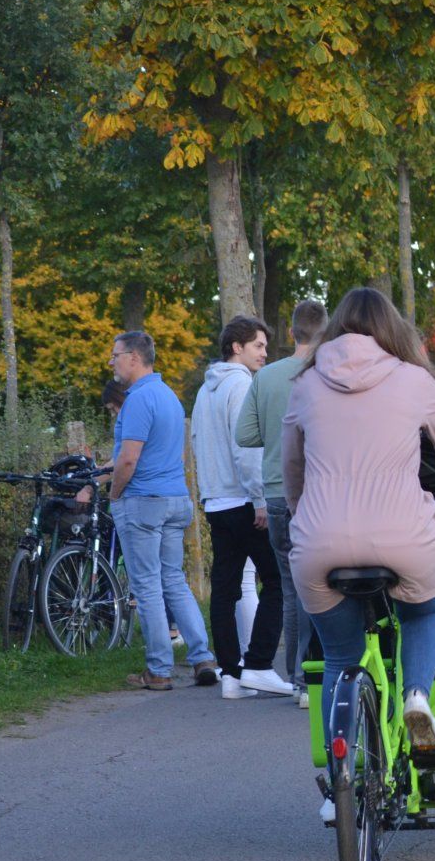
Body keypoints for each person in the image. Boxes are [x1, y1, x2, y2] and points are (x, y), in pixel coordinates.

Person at [282, 288, 435, 823]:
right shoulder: (414, 380)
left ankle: (342, 785)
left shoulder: (305, 383)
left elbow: (290, 467)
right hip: (404, 538)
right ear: (392, 329)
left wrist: (301, 512)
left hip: (319, 542)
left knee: (339, 657)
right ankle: (418, 698)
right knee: (425, 611)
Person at [107, 330, 218, 690]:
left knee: (147, 586)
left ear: (135, 358)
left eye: (116, 355)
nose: (112, 362)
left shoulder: (138, 400)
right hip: (175, 500)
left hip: (144, 502)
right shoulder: (170, 396)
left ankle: (158, 670)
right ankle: (202, 656)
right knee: (174, 579)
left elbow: (129, 459)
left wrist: (114, 493)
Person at [236, 298, 328, 708]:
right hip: (321, 494)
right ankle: (323, 671)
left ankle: (298, 681)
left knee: (291, 591)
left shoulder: (267, 377)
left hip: (276, 493)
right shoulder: (328, 374)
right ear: (325, 333)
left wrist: (276, 433)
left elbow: (245, 435)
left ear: (291, 333)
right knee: (327, 588)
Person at [192, 315, 288, 699]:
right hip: (244, 500)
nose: (265, 353)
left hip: (216, 500)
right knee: (280, 580)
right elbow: (247, 447)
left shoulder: (204, 391)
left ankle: (230, 674)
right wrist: (260, 498)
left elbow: (199, 442)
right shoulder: (244, 385)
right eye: (259, 346)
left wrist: (206, 491)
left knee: (225, 587)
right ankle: (260, 663)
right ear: (237, 347)